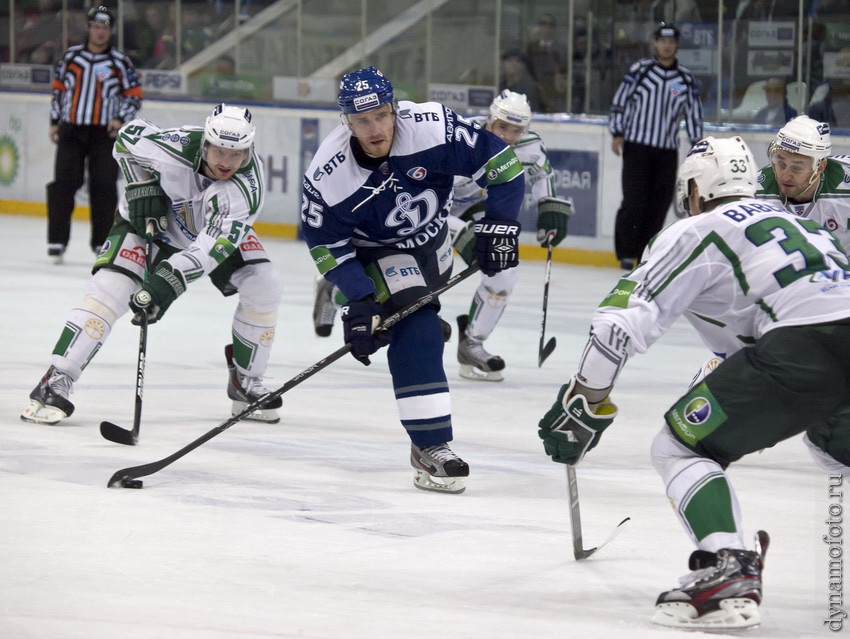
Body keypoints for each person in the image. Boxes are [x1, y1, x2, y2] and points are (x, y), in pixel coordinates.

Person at [536, 135, 850, 631]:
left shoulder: (697, 230)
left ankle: (730, 568)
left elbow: (619, 323)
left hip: (803, 347)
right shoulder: (797, 222)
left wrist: (583, 402)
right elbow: (742, 342)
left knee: (679, 448)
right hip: (821, 339)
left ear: (695, 191)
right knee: (833, 446)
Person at [300, 66, 524, 494]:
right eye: (362, 120)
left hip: (435, 235)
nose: (374, 128)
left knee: (422, 314)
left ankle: (383, 307)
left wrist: (501, 225)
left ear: (395, 110)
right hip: (373, 250)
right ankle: (429, 445)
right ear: (345, 120)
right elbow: (327, 245)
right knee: (417, 323)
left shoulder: (432, 127)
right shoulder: (329, 174)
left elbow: (503, 163)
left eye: (382, 115)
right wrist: (363, 297)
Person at [22, 104, 283, 426]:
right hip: (146, 225)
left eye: (237, 154)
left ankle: (247, 382)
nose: (226, 162)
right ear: (205, 143)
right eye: (219, 151)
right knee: (110, 289)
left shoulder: (246, 190)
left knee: (263, 279)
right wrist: (140, 185)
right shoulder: (174, 146)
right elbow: (127, 137)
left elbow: (208, 249)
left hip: (207, 233)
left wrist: (166, 283)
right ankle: (56, 379)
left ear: (249, 149)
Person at [448, 90, 573, 381]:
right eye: (502, 127)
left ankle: (473, 343)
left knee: (503, 270)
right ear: (489, 120)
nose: (507, 136)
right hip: (428, 208)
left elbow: (543, 176)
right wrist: (461, 234)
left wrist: (549, 208)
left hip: (476, 206)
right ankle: (336, 289)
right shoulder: (461, 138)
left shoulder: (530, 146)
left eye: (516, 130)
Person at [46, 5, 143, 263]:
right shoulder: (71, 57)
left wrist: (120, 119)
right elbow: (58, 90)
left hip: (104, 134)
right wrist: (55, 121)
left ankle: (101, 241)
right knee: (63, 185)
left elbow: (134, 96)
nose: (100, 32)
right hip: (72, 130)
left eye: (105, 28)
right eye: (96, 27)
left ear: (111, 31)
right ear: (89, 28)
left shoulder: (119, 61)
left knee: (104, 187)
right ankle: (57, 240)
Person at [609, 21, 703, 270]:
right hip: (637, 146)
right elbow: (620, 102)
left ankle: (647, 252)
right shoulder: (640, 71)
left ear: (676, 45)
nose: (667, 46)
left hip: (666, 150)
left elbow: (693, 113)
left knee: (659, 203)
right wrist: (617, 133)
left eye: (671, 42)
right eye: (663, 41)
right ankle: (627, 252)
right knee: (634, 200)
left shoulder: (685, 79)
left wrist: (696, 144)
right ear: (655, 44)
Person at [755, 115, 850, 249]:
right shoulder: (754, 192)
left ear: (820, 167)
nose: (785, 176)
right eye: (781, 163)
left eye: (796, 168)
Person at [525, 13, 568, 113]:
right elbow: (527, 70)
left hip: (556, 94)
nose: (547, 27)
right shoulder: (531, 48)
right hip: (535, 92)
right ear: (539, 27)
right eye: (544, 24)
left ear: (555, 28)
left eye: (551, 24)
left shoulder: (562, 49)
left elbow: (564, 72)